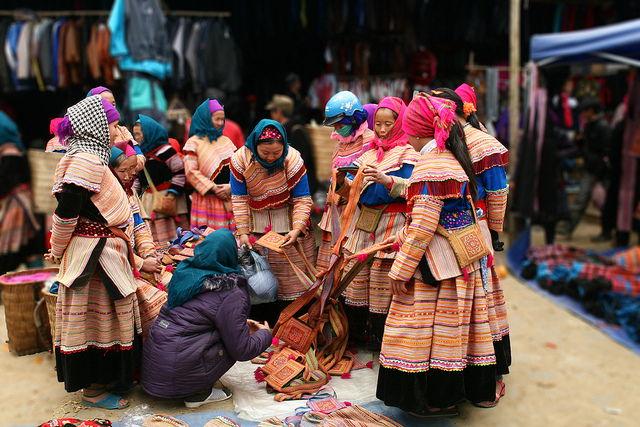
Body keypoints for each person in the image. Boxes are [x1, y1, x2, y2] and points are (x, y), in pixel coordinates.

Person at [376, 93, 502, 417]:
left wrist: (399, 271)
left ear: (416, 131)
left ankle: (439, 400)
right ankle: (456, 394)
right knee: (456, 333)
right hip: (462, 258)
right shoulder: (450, 158)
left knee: (428, 334)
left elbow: (423, 229)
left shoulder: (431, 166)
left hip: (441, 265)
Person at [44, 95, 140, 410]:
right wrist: (57, 248)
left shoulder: (90, 157)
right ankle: (94, 391)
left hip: (102, 253)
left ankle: (105, 382)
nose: (117, 130)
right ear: (95, 126)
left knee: (104, 322)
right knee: (94, 324)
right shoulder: (83, 159)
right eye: (112, 124)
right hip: (93, 257)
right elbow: (67, 212)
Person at [141, 229, 272, 408]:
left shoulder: (185, 274)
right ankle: (198, 394)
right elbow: (242, 350)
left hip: (153, 373)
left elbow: (195, 316)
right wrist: (264, 335)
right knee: (232, 341)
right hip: (177, 374)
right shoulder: (230, 290)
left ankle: (191, 382)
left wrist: (242, 324)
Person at [333, 97, 418, 349]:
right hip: (364, 223)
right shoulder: (368, 153)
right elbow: (353, 192)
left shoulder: (409, 153)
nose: (382, 130)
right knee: (358, 277)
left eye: (388, 124)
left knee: (382, 278)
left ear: (400, 123)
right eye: (377, 124)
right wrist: (340, 182)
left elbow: (416, 189)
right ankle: (358, 333)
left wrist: (387, 180)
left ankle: (384, 338)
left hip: (392, 224)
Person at [230, 119, 316, 324]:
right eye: (265, 153)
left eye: (276, 154)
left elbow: (302, 198)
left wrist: (297, 229)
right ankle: (260, 329)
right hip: (254, 226)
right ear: (254, 146)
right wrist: (243, 233)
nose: (270, 158)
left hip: (288, 222)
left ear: (284, 148)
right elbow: (239, 198)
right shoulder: (240, 160)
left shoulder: (293, 160)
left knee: (292, 281)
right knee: (257, 282)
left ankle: (292, 328)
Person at [110, 141, 166, 340]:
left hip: (137, 263)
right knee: (161, 305)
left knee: (178, 286)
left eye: (132, 170)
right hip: (119, 269)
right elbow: (110, 245)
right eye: (123, 170)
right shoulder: (106, 199)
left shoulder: (129, 194)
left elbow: (140, 228)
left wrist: (150, 255)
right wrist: (142, 263)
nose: (129, 176)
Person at [316, 91, 374, 272]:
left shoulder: (369, 140)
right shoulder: (340, 144)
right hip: (337, 210)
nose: (337, 128)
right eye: (334, 125)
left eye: (340, 123)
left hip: (357, 211)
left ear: (354, 118)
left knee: (352, 264)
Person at [133, 114, 190, 244]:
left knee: (176, 235)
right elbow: (137, 176)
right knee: (157, 237)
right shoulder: (141, 154)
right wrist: (135, 196)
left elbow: (179, 172)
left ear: (149, 133)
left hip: (169, 199)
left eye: (139, 134)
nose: (136, 138)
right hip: (149, 200)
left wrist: (171, 195)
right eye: (134, 134)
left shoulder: (166, 150)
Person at [561, 97, 611, 238]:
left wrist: (599, 172)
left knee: (602, 203)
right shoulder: (591, 126)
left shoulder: (603, 127)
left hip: (600, 171)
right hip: (591, 169)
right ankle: (569, 227)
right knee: (581, 200)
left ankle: (606, 232)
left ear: (590, 111)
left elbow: (606, 153)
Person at [183, 99, 237, 231]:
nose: (220, 123)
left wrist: (231, 187)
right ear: (206, 118)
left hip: (228, 197)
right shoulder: (193, 143)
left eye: (222, 119)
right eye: (216, 119)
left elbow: (239, 167)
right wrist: (213, 188)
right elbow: (191, 172)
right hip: (206, 200)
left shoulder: (226, 141)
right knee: (207, 236)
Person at [0, 111, 40, 275]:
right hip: (21, 205)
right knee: (27, 248)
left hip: (16, 207)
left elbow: (5, 183)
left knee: (11, 247)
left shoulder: (10, 154)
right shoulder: (14, 151)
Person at [267, 94, 319, 196]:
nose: (271, 116)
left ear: (279, 112)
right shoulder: (283, 132)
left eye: (272, 112)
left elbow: (298, 163)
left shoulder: (296, 132)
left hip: (301, 190)